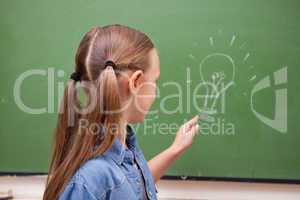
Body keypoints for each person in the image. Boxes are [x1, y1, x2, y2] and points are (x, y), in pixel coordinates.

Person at [43, 24, 200, 200]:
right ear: (136, 82)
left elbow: (129, 187)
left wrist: (175, 149)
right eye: (155, 81)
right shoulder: (90, 179)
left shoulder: (122, 146)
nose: (156, 91)